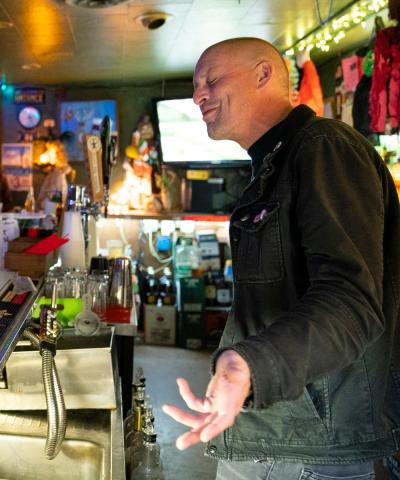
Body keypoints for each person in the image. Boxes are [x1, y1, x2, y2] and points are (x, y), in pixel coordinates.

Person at [162, 37, 400, 479]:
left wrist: (250, 364)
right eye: (197, 86)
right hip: (281, 426)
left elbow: (352, 299)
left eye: (211, 80)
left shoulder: (324, 147)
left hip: (306, 439)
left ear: (263, 74)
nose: (198, 96)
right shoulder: (277, 162)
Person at [35, 141, 74, 210]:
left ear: (58, 155)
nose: (47, 154)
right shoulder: (53, 172)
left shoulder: (59, 174)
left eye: (50, 151)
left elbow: (55, 198)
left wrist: (41, 204)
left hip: (51, 211)